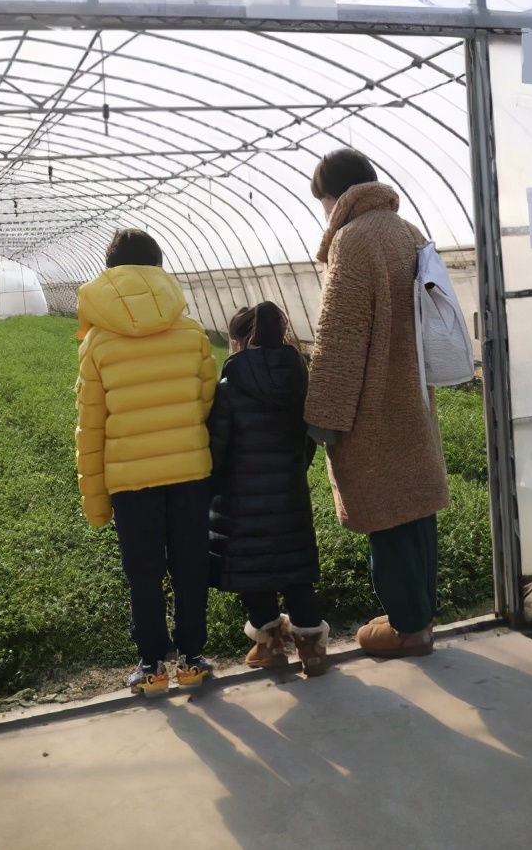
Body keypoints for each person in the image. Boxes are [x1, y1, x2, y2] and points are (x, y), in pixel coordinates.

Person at [304, 148, 449, 659]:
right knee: (416, 510)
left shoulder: (352, 240)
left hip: (375, 405)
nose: (323, 211)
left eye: (321, 199)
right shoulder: (407, 231)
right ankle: (419, 616)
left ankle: (410, 630)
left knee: (385, 516)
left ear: (334, 196)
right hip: (413, 395)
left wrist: (323, 417)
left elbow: (339, 336)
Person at [75, 228, 217, 696]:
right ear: (158, 268)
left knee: (143, 572)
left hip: (131, 480)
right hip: (190, 472)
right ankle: (193, 659)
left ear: (110, 271)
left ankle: (152, 666)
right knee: (191, 565)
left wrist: (95, 500)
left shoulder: (97, 342)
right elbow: (205, 404)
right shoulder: (193, 332)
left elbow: (91, 427)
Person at [207, 302, 329, 677]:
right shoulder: (299, 379)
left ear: (239, 341)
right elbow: (308, 439)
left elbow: (216, 448)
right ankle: (312, 649)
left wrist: (213, 486)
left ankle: (271, 645)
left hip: (240, 503)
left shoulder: (229, 387)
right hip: (290, 496)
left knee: (254, 576)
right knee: (296, 574)